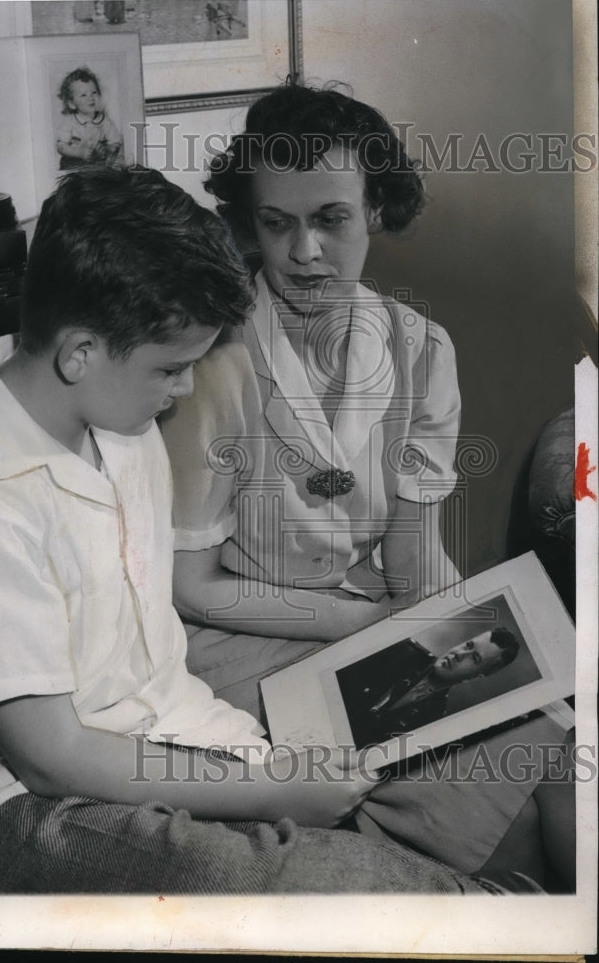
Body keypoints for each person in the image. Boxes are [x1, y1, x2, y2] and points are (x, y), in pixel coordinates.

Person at [0, 165, 505, 896]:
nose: (185, 390)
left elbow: (153, 681)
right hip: (7, 809)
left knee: (419, 792)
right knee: (297, 878)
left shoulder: (118, 418)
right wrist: (270, 791)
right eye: (172, 369)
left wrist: (267, 771)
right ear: (79, 352)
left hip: (159, 730)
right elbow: (51, 757)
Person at [160, 83, 576, 890]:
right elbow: (192, 585)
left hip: (371, 622)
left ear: (377, 208)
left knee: (560, 746)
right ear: (251, 220)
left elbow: (415, 557)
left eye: (331, 219)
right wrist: (371, 623)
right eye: (277, 223)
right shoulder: (212, 359)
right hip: (236, 633)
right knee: (510, 813)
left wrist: (507, 652)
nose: (304, 252)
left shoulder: (423, 350)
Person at [336, 628, 520, 747]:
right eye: (468, 645)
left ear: (478, 676)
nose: (459, 654)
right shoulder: (399, 649)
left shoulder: (433, 719)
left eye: (474, 658)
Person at [55, 66, 122, 170]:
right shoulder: (70, 122)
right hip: (74, 164)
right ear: (72, 103)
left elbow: (115, 141)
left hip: (96, 166)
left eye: (94, 93)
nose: (90, 97)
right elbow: (61, 146)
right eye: (83, 95)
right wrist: (79, 152)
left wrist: (107, 150)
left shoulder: (104, 121)